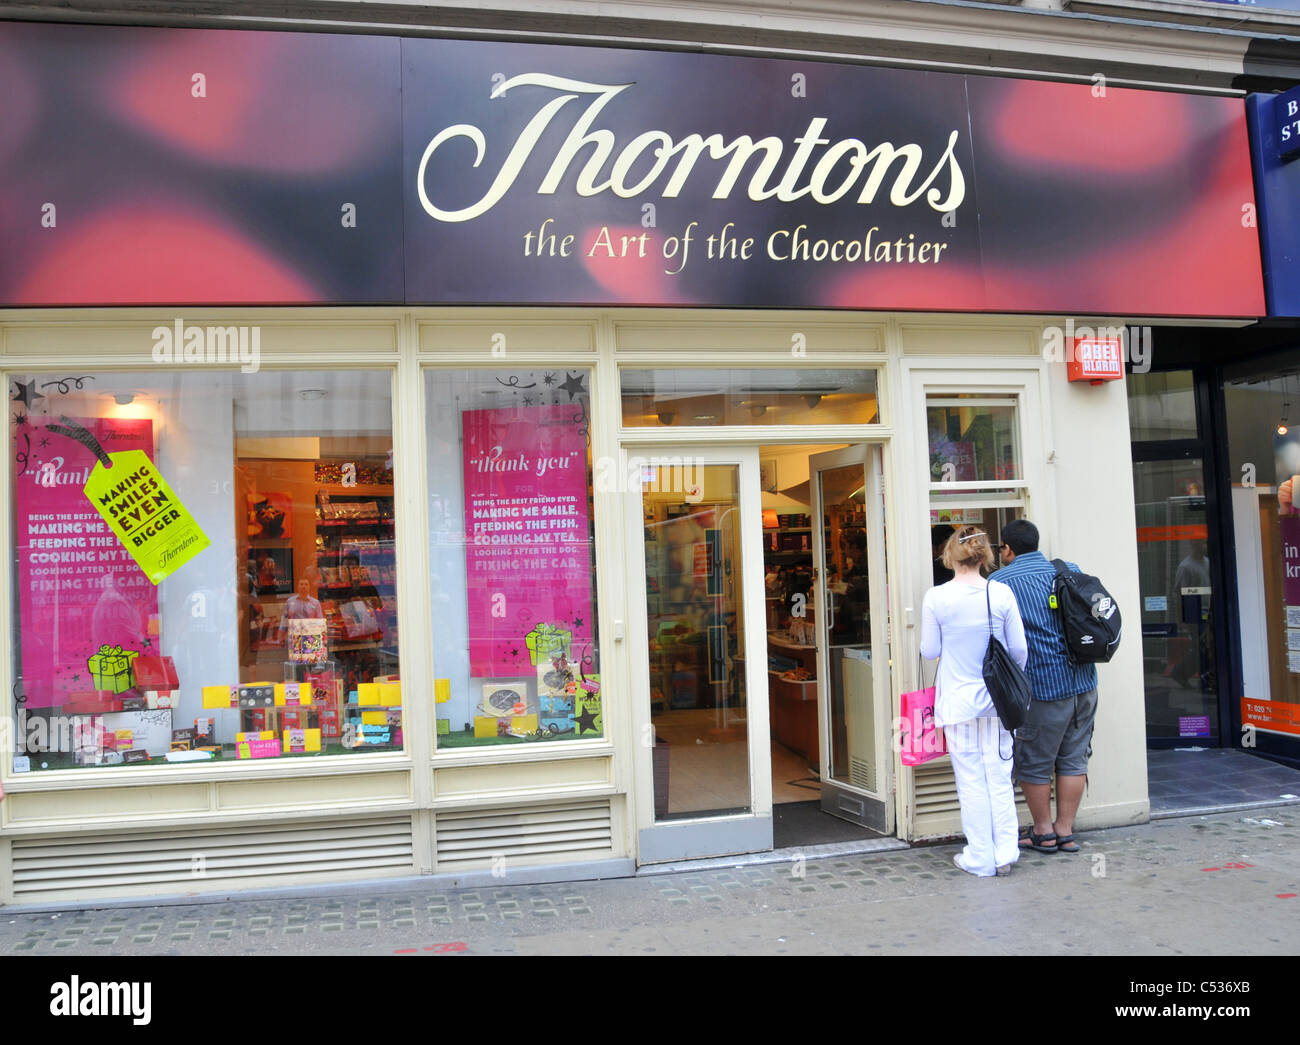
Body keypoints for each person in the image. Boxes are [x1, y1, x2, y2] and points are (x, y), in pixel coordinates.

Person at [920, 525, 1028, 877]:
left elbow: (930, 651)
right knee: (999, 777)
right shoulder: (1001, 594)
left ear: (951, 554)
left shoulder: (936, 598)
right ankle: (1005, 853)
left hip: (958, 702)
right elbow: (1019, 652)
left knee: (969, 780)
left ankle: (979, 856)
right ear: (985, 556)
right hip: (997, 703)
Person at [995, 518, 1098, 855]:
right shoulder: (1068, 569)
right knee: (1074, 758)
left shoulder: (1000, 582)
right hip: (1084, 682)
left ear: (1008, 549)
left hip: (1042, 687)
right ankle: (1065, 831)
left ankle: (1043, 832)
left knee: (1035, 761)